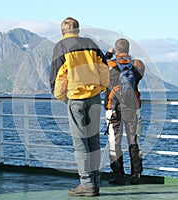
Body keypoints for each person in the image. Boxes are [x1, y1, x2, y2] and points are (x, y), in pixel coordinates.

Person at [50, 17, 110, 197]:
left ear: (63, 32)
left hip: (75, 98)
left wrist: (62, 97)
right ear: (78, 30)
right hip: (94, 98)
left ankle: (86, 184)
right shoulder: (90, 43)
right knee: (94, 141)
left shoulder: (61, 47)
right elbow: (103, 69)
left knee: (80, 143)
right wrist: (100, 88)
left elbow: (58, 76)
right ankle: (96, 182)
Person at [104, 38, 145, 185]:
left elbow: (96, 67)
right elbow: (139, 75)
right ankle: (136, 175)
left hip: (113, 109)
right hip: (133, 108)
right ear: (128, 49)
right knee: (134, 141)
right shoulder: (138, 65)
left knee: (115, 142)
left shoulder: (108, 65)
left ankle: (118, 176)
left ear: (116, 49)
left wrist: (108, 54)